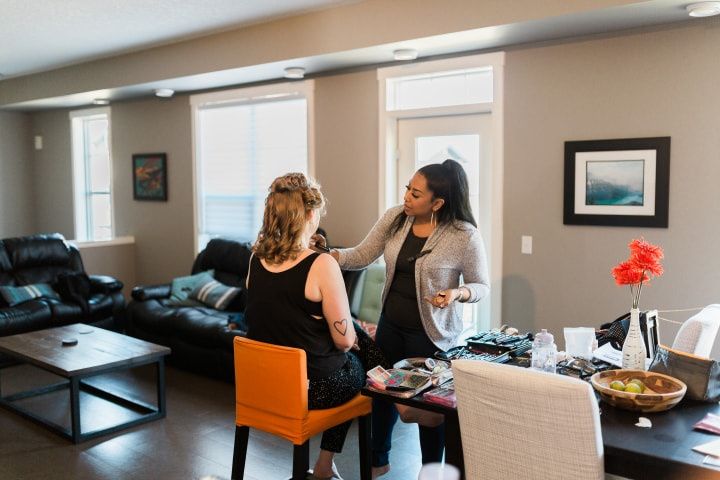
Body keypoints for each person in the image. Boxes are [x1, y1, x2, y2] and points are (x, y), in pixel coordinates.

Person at [244, 172, 438, 480]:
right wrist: (348, 331)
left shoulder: (256, 258)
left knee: (354, 345)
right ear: (308, 214)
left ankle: (326, 464)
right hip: (314, 389)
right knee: (353, 358)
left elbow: (277, 314)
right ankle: (399, 403)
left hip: (264, 384)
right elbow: (344, 341)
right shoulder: (321, 264)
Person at [314, 159, 490, 478]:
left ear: (438, 202)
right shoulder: (396, 217)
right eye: (407, 188)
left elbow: (482, 285)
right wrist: (328, 254)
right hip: (390, 326)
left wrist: (457, 294)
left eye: (416, 193)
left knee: (425, 408)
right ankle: (378, 461)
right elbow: (363, 254)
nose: (407, 196)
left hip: (431, 334)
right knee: (381, 394)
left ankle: (432, 471)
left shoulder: (464, 235)